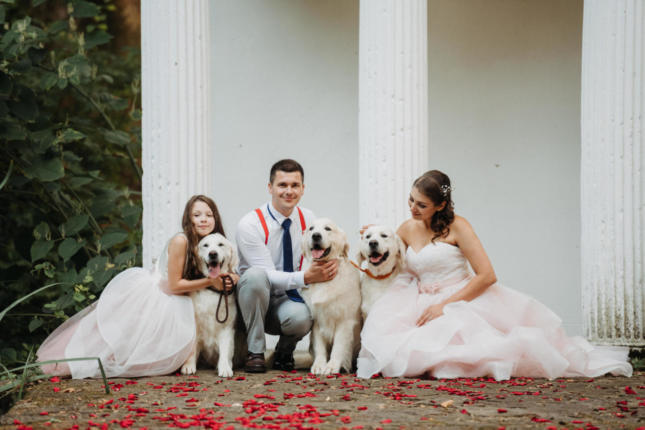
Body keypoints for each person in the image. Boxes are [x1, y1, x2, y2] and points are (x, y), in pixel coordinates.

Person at [357, 170, 632, 380]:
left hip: (461, 298)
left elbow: (487, 275)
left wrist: (445, 305)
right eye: (411, 200)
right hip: (417, 298)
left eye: (421, 205)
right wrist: (375, 237)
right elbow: (390, 259)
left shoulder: (459, 227)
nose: (413, 209)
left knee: (458, 358)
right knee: (400, 352)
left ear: (440, 206)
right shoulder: (407, 227)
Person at [37, 195, 237, 379]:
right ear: (188, 218)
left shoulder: (205, 244)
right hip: (160, 295)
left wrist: (232, 276)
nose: (203, 219)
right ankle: (63, 364)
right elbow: (175, 284)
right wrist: (211, 281)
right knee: (117, 345)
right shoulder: (181, 240)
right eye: (197, 215)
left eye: (209, 215)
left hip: (176, 296)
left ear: (215, 219)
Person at [236, 159, 338, 372]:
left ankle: (285, 351)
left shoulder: (309, 218)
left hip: (287, 299)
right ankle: (255, 352)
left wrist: (335, 261)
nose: (289, 191)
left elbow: (321, 251)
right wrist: (307, 277)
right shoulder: (250, 224)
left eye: (295, 185)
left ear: (303, 189)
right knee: (255, 276)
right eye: (282, 185)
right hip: (252, 300)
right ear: (270, 187)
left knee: (303, 317)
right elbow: (267, 275)